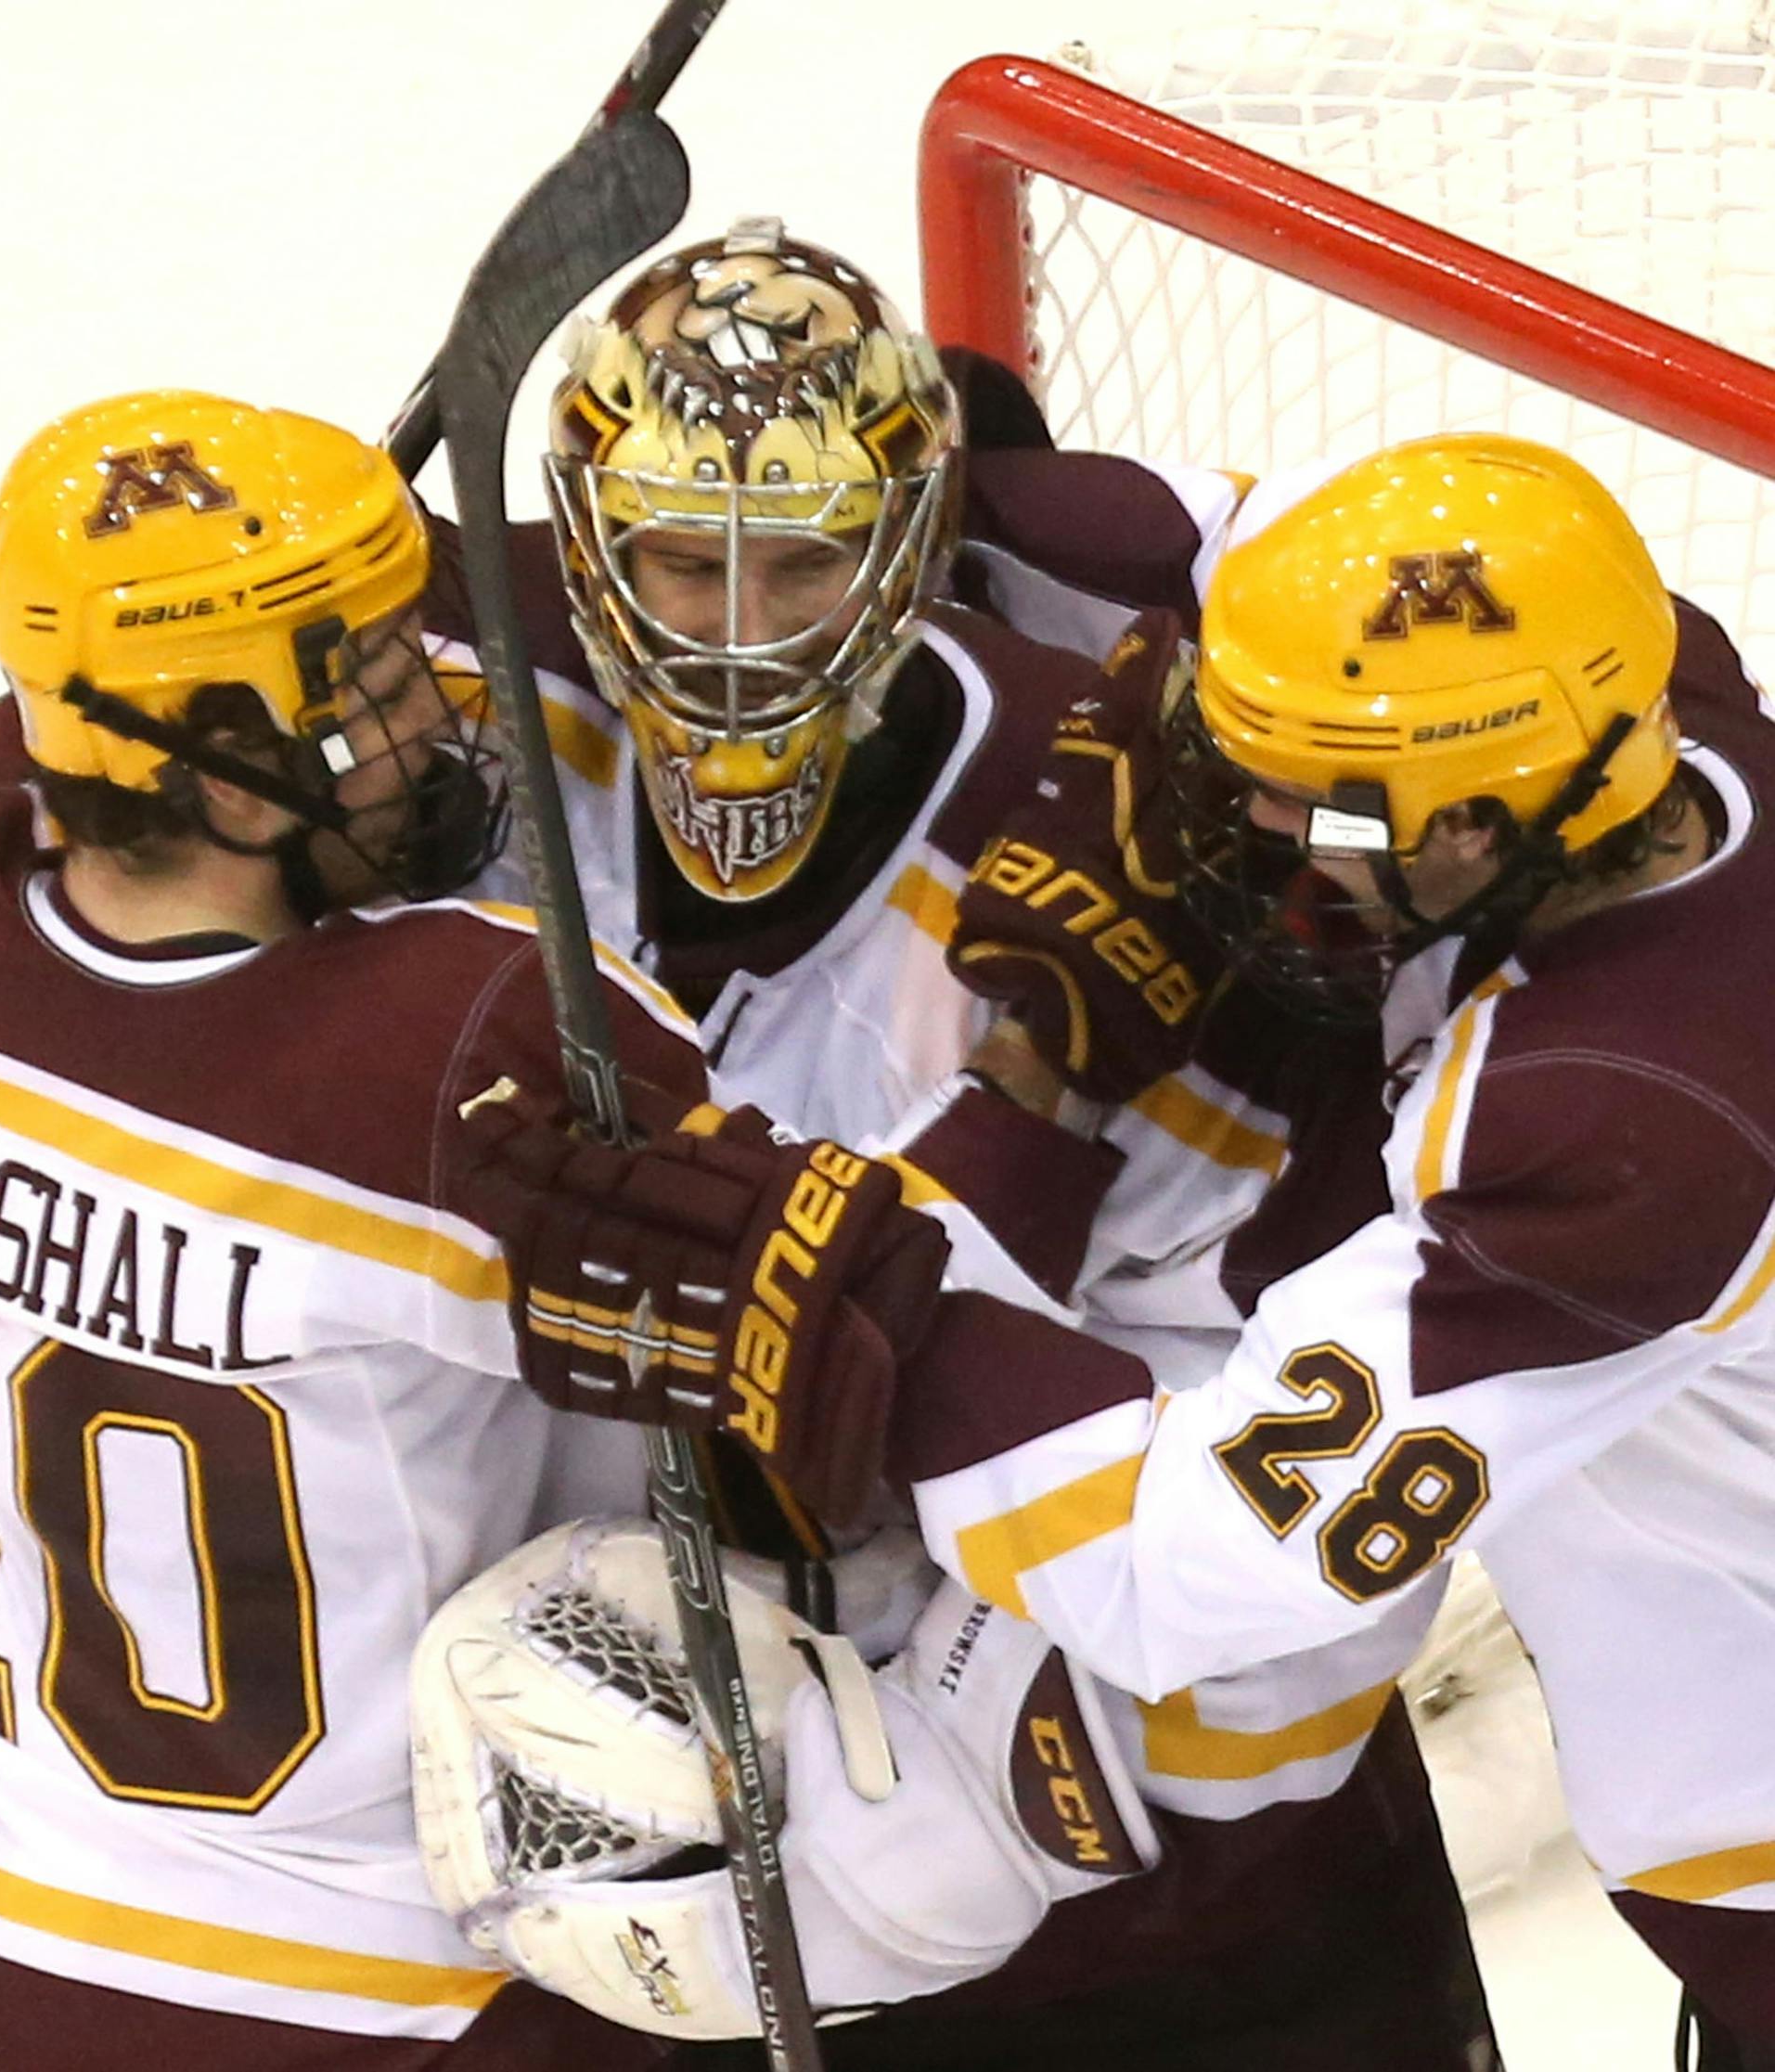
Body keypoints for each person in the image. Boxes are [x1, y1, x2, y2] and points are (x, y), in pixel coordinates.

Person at [472, 430, 1775, 2064]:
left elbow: (1191, 1569)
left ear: (1478, 821)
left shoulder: (1619, 1129)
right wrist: (922, 470)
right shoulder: (1661, 713)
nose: (1269, 837)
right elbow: (1228, 539)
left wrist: (859, 1285)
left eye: (1325, 808)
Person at [426, 221, 1497, 2071]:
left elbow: (1289, 1535)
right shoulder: (469, 768)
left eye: (808, 561)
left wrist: (950, 1817)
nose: (741, 639)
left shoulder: (1121, 847)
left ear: (915, 540)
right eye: (686, 559)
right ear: (592, 551)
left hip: (1169, 1907)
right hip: (667, 1825)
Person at [0, 387, 733, 2071]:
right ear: (225, 766)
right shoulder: (476, 1042)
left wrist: (136, 680)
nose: (433, 714)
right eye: (367, 683)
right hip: (400, 1990)